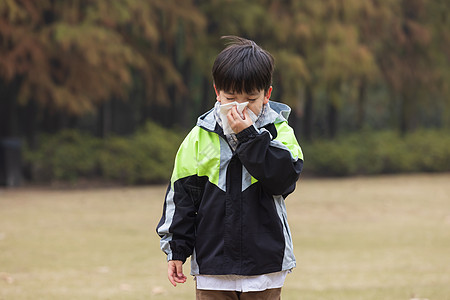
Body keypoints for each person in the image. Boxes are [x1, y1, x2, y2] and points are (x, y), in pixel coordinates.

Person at [156, 36, 304, 300]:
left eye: (250, 98)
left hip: (265, 267)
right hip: (213, 268)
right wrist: (177, 250)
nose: (239, 106)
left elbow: (284, 181)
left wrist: (249, 136)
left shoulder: (279, 131)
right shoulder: (199, 137)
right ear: (217, 92)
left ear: (267, 94)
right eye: (231, 97)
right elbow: (182, 198)